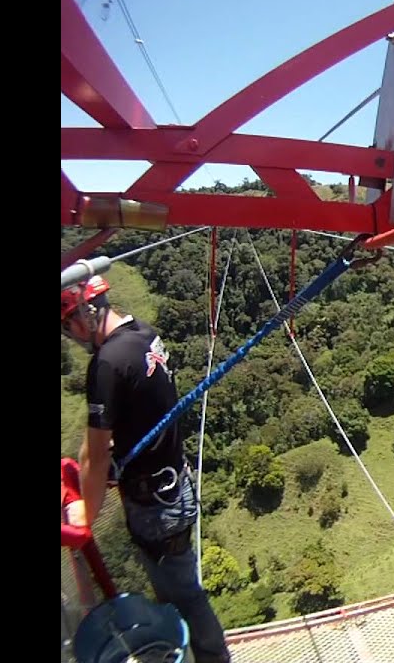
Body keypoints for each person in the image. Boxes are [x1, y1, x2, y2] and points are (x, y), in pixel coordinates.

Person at [61, 274, 233, 663]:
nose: (71, 334)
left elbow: (96, 449)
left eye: (69, 323)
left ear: (86, 314)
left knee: (183, 593)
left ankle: (212, 657)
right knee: (178, 589)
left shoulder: (107, 363)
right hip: (171, 487)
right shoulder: (143, 332)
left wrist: (86, 514)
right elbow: (134, 419)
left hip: (155, 504)